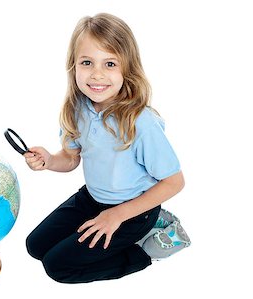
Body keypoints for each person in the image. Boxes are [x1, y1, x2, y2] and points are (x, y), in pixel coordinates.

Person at [24, 13, 190, 284]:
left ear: (127, 69)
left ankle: (145, 250)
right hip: (92, 199)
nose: (97, 74)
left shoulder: (141, 123)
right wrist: (49, 160)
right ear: (73, 67)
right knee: (36, 247)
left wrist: (117, 215)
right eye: (87, 62)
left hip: (131, 213)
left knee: (58, 267)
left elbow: (174, 182)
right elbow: (70, 158)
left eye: (110, 63)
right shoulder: (78, 108)